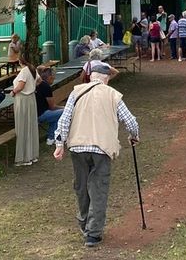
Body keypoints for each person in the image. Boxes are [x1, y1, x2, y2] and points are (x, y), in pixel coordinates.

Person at [54, 63, 139, 248]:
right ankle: (93, 233)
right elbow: (130, 121)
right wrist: (134, 136)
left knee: (81, 187)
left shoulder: (76, 92)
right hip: (102, 148)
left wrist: (59, 144)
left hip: (77, 147)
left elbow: (64, 120)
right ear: (106, 79)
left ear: (91, 77)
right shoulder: (113, 95)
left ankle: (85, 222)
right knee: (98, 189)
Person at [11, 49, 40, 166]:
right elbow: (39, 80)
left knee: (22, 126)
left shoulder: (24, 71)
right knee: (30, 126)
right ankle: (32, 154)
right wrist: (32, 87)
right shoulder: (32, 69)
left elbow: (20, 86)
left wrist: (13, 91)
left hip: (23, 100)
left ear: (21, 60)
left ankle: (23, 157)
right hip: (31, 99)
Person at [36, 66, 64, 144]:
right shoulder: (46, 86)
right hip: (41, 114)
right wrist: (65, 107)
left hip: (36, 113)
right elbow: (52, 107)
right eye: (53, 78)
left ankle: (51, 138)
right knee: (64, 112)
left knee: (55, 117)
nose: (54, 79)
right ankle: (52, 137)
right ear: (50, 77)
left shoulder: (38, 84)